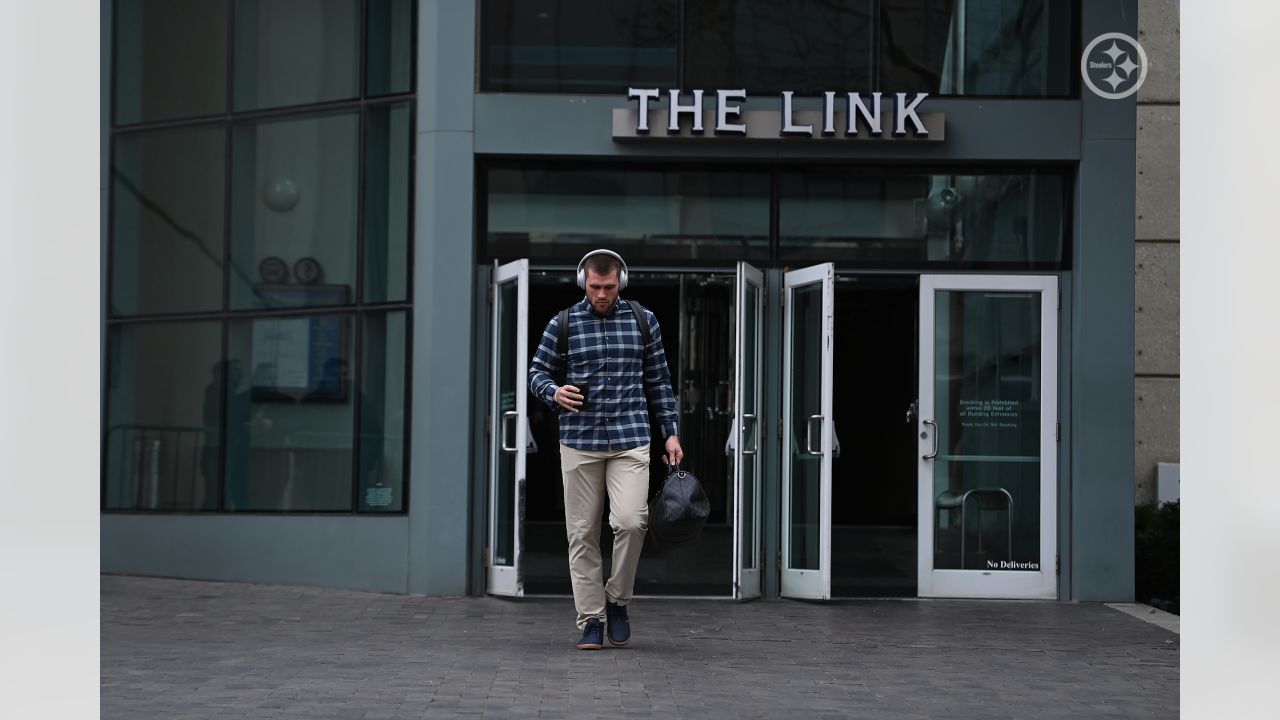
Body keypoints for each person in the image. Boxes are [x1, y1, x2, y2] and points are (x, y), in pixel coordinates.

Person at [528, 249, 683, 650]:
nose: (601, 294)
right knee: (581, 534)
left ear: (621, 282)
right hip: (579, 441)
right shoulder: (562, 323)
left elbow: (660, 382)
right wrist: (553, 391)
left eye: (609, 287)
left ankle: (617, 600)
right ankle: (591, 620)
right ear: (583, 282)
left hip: (631, 437)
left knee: (632, 522)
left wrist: (670, 433)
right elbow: (536, 373)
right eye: (595, 287)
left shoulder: (643, 321)